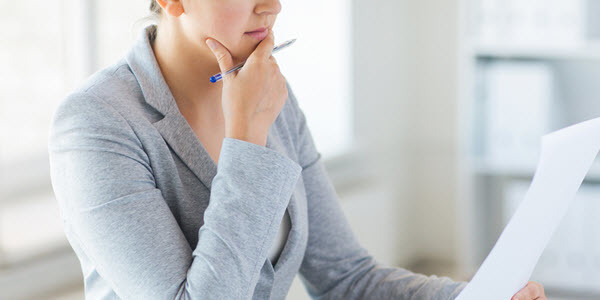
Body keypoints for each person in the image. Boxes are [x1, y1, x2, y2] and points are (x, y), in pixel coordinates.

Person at [48, 0, 548, 299]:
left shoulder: (270, 98)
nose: (273, 4)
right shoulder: (96, 122)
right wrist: (246, 139)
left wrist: (476, 294)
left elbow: (347, 279)